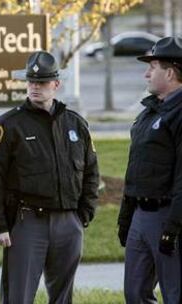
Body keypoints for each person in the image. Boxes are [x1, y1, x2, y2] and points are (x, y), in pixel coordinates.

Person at [0, 50, 99, 304]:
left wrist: (83, 214)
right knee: (17, 296)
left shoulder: (75, 124)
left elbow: (90, 171)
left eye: (41, 82)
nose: (35, 87)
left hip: (69, 222)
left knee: (63, 297)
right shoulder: (7, 126)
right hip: (28, 222)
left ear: (56, 84)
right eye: (31, 82)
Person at [117, 36, 182, 303]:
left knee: (175, 293)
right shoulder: (150, 112)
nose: (146, 74)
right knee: (135, 293)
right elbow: (136, 168)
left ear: (169, 72)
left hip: (168, 215)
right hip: (141, 216)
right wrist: (126, 216)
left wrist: (173, 226)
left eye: (152, 67)